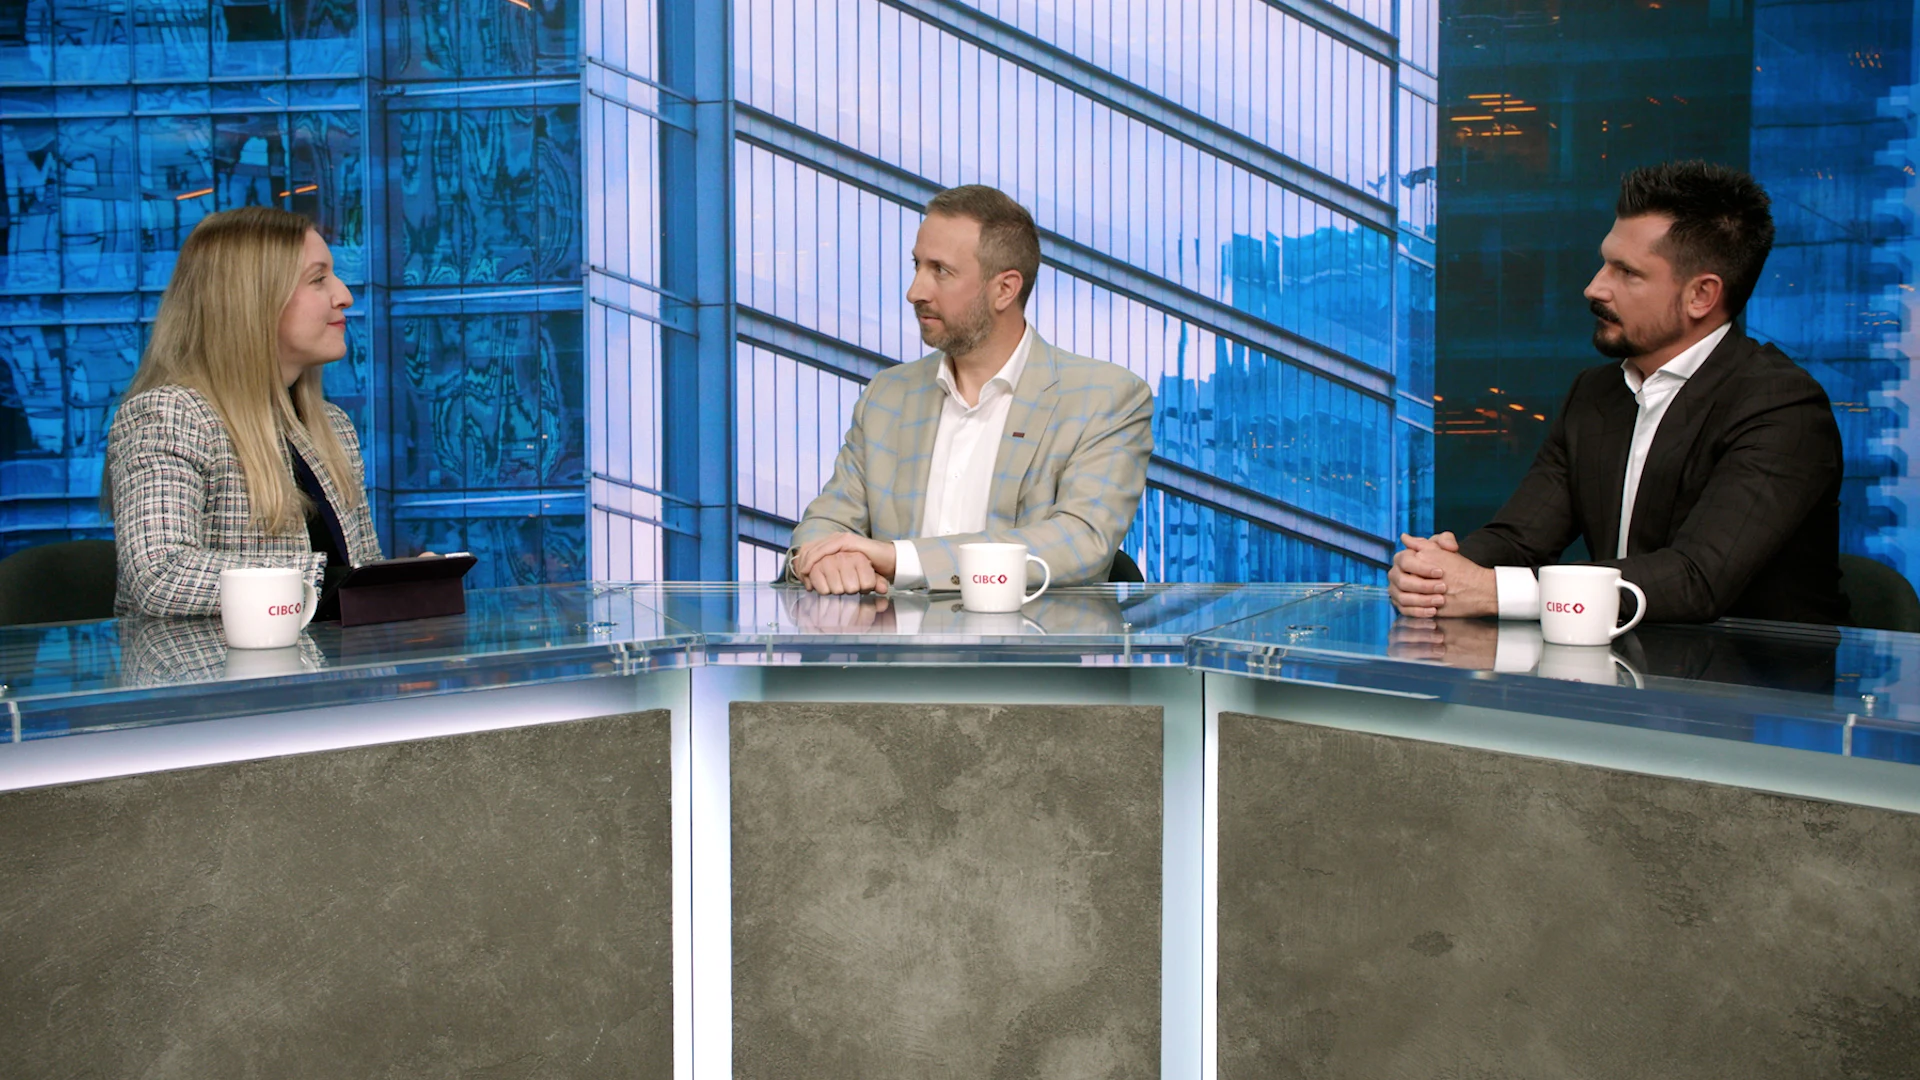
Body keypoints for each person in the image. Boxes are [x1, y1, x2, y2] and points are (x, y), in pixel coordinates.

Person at [1390, 161, 1847, 626]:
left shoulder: (1783, 407)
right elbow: (1520, 539)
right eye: (1605, 262)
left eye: (1626, 272)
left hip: (1753, 671)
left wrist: (1491, 591)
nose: (1595, 288)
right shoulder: (1595, 393)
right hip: (1619, 664)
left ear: (1701, 296)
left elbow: (1696, 581)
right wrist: (1438, 572)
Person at [786, 185, 1154, 595]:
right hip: (893, 638)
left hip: (1033, 635)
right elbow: (825, 523)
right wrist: (828, 557)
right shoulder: (887, 396)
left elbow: (1081, 542)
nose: (915, 292)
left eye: (940, 271)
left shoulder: (1105, 397)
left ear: (1005, 289)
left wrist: (901, 560)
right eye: (917, 265)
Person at [106, 207, 383, 617]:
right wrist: (319, 582)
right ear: (254, 300)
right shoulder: (170, 415)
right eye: (318, 279)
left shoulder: (333, 426)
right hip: (208, 660)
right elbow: (161, 575)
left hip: (325, 658)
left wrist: (401, 583)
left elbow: (360, 573)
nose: (344, 295)